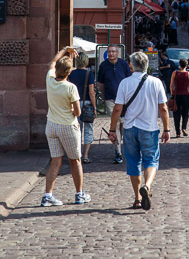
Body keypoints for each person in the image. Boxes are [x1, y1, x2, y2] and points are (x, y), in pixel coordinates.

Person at [108, 51, 170, 210]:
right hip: (149, 128)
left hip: (129, 128)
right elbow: (163, 108)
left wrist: (112, 129)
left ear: (131, 65)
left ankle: (137, 198)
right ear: (147, 66)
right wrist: (167, 129)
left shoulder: (125, 83)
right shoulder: (156, 82)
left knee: (133, 162)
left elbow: (117, 109)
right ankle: (147, 186)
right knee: (151, 160)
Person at [41, 46, 91, 207]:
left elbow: (53, 62)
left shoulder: (49, 80)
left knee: (55, 161)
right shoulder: (70, 87)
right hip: (68, 126)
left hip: (51, 126)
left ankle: (48, 195)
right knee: (75, 160)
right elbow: (77, 112)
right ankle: (79, 194)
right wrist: (69, 108)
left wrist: (64, 50)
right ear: (69, 72)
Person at [97, 44, 131, 164]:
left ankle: (123, 147)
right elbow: (100, 83)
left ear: (117, 53)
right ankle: (118, 152)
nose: (111, 54)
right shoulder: (103, 66)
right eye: (109, 52)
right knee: (115, 125)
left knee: (123, 126)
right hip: (110, 99)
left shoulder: (123, 64)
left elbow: (129, 81)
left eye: (113, 52)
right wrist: (104, 97)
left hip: (125, 101)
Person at [68, 52, 97, 163]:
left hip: (74, 104)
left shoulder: (71, 73)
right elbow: (91, 92)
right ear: (86, 61)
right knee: (88, 130)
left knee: (76, 130)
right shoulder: (89, 74)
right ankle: (85, 155)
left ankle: (77, 154)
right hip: (87, 105)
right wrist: (95, 107)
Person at [170, 58, 189, 137]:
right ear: (186, 65)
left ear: (179, 65)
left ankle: (177, 132)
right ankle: (184, 127)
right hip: (185, 95)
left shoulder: (175, 73)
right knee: (185, 113)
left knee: (176, 114)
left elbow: (171, 84)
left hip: (176, 95)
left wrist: (172, 92)